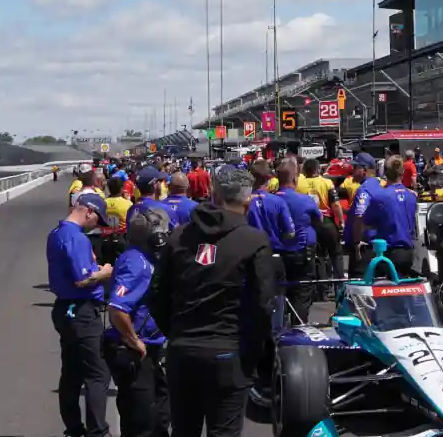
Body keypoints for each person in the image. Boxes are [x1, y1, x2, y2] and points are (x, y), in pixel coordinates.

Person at [153, 170, 280, 437]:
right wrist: (250, 352)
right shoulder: (254, 241)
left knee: (183, 431)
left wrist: (175, 333)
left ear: (214, 194)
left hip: (182, 350)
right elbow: (264, 304)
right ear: (247, 203)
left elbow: (157, 294)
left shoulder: (178, 236)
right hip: (228, 352)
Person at [50, 192, 117, 437]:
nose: (95, 226)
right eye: (96, 220)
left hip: (64, 308)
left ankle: (74, 428)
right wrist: (105, 272)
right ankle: (98, 431)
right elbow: (83, 279)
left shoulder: (56, 233)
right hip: (81, 310)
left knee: (71, 370)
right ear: (88, 211)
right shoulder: (76, 238)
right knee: (97, 373)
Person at [105, 206, 172, 437]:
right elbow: (117, 308)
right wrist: (134, 341)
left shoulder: (146, 258)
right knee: (141, 421)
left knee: (160, 415)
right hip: (135, 350)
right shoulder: (136, 263)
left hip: (151, 347)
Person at [273, 159, 324, 315]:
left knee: (279, 292)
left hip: (277, 254)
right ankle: (298, 330)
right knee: (302, 293)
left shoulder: (270, 199)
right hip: (302, 252)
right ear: (295, 179)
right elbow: (319, 219)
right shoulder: (304, 200)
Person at [372, 156, 421, 276]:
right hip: (407, 252)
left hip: (387, 253)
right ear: (403, 172)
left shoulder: (379, 196)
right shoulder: (412, 196)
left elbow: (367, 221)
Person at [343, 153, 382, 272]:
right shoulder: (378, 185)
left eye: (355, 168)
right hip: (374, 244)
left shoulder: (364, 189)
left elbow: (360, 217)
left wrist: (356, 244)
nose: (352, 171)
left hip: (363, 246)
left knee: (358, 282)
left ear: (364, 170)